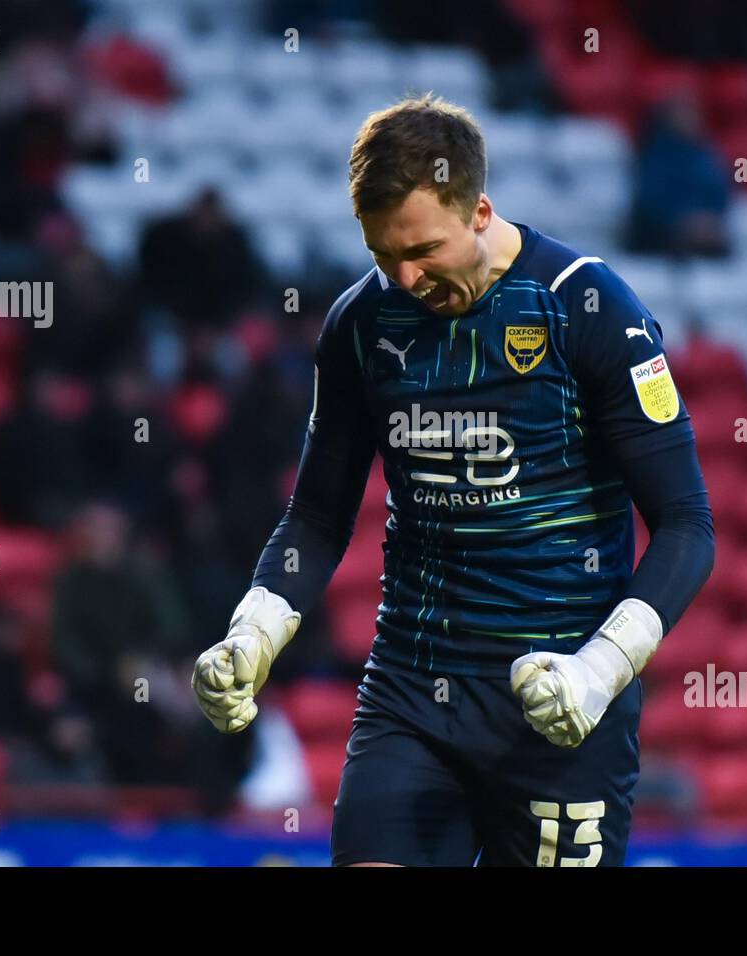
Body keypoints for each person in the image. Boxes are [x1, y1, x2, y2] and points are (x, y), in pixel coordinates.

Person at [191, 94, 715, 866]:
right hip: (412, 691)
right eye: (381, 255)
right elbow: (316, 517)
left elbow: (686, 525)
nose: (403, 278)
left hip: (559, 703)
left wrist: (600, 671)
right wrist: (256, 628)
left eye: (424, 251)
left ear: (480, 211)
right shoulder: (361, 326)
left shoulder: (588, 306)